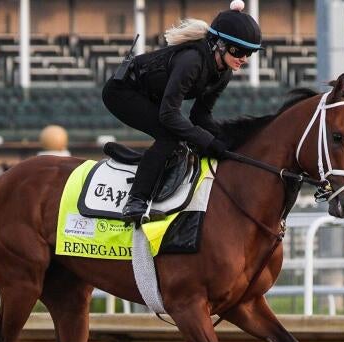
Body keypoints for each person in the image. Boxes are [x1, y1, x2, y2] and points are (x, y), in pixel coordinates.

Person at [102, 0, 262, 223]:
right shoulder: (192, 61)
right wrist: (208, 140)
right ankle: (136, 201)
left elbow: (200, 115)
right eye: (239, 50)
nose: (244, 58)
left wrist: (224, 140)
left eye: (250, 53)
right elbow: (169, 115)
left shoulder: (224, 73)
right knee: (170, 135)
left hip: (150, 96)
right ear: (220, 44)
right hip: (122, 92)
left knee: (182, 137)